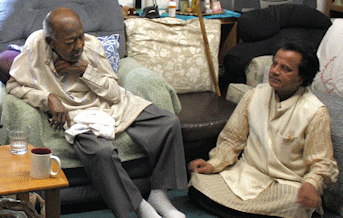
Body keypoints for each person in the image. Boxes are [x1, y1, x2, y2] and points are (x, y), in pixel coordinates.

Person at [6, 7, 187, 218]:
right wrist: (49, 99)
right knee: (101, 152)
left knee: (169, 123)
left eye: (81, 37)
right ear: (51, 42)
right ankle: (140, 206)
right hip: (75, 114)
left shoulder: (91, 46)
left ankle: (159, 193)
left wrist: (85, 71)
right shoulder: (35, 46)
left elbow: (113, 93)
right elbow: (14, 86)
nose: (79, 46)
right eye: (70, 42)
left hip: (111, 104)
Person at [188, 40, 339, 218]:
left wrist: (311, 184)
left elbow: (322, 163)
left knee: (296, 205)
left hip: (284, 184)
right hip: (246, 175)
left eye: (286, 68)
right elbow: (233, 139)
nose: (274, 71)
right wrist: (213, 164)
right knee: (198, 183)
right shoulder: (254, 95)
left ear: (302, 78)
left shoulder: (315, 112)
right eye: (275, 63)